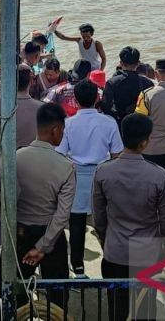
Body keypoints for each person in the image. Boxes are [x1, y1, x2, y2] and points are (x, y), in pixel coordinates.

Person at [93, 114, 165, 321]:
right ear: (144, 142)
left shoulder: (104, 171)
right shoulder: (159, 175)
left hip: (114, 252)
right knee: (145, 308)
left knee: (116, 307)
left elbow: (99, 215)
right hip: (147, 254)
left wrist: (105, 237)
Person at [56, 79, 123, 276]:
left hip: (76, 176)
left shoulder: (68, 124)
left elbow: (60, 154)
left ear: (76, 100)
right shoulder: (108, 122)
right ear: (97, 98)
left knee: (77, 225)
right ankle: (111, 263)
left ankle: (78, 268)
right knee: (104, 223)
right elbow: (117, 153)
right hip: (102, 175)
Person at [15, 103, 75, 308]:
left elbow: (4, 200)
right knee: (57, 296)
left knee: (17, 292)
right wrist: (43, 247)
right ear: (56, 129)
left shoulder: (15, 158)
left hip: (20, 234)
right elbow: (62, 215)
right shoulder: (65, 166)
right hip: (51, 237)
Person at [101, 46, 155, 128]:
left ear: (121, 63)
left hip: (120, 124)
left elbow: (105, 107)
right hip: (142, 124)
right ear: (138, 63)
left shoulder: (112, 83)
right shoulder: (148, 83)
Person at [0, 65, 43, 148]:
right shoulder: (41, 108)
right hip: (36, 157)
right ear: (31, 81)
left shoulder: (2, 110)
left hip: (11, 159)